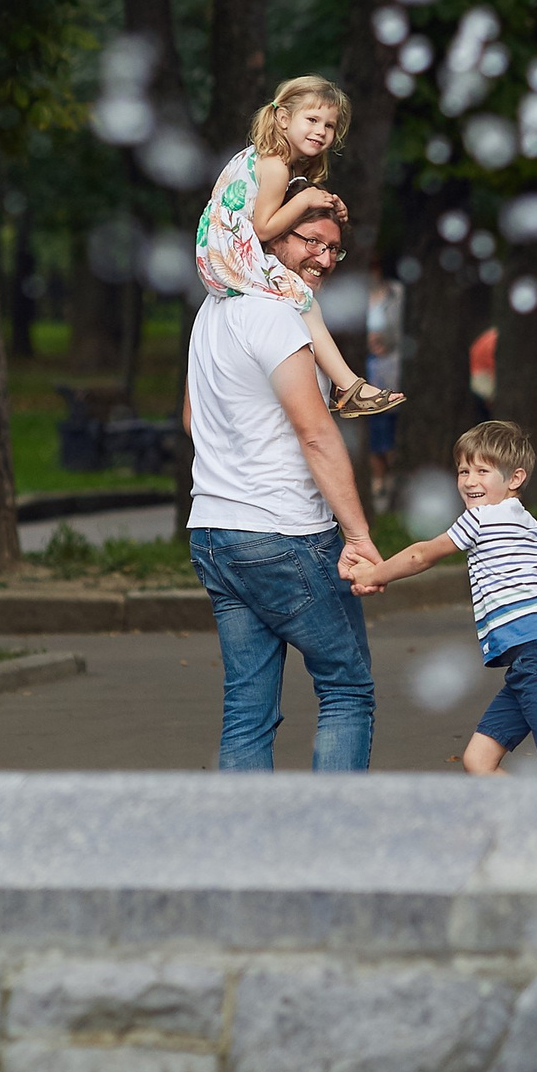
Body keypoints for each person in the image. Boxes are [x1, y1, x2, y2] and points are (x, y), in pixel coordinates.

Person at [183, 207, 383, 770]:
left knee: (247, 710)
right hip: (284, 532)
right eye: (311, 240)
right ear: (270, 235)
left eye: (334, 248)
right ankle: (328, 828)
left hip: (215, 533)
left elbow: (192, 421)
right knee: (346, 689)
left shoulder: (212, 310)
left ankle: (248, 830)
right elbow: (315, 433)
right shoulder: (276, 315)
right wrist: (358, 536)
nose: (324, 258)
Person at [345, 420, 537, 778]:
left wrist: (374, 574)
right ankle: (533, 812)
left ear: (515, 478)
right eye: (463, 471)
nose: (469, 481)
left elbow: (422, 555)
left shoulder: (480, 518)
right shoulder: (529, 523)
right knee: (478, 761)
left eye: (482, 471)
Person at [196, 75, 399, 419]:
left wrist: (327, 205)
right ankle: (349, 387)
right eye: (312, 120)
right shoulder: (275, 166)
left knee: (300, 299)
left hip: (222, 250)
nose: (321, 131)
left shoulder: (269, 160)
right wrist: (305, 200)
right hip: (229, 255)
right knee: (304, 301)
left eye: (329, 125)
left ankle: (343, 385)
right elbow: (264, 228)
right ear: (283, 118)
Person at [364, 261, 404, 506]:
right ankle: (378, 480)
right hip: (365, 366)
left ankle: (391, 479)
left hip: (390, 365)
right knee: (372, 426)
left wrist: (384, 342)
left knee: (390, 422)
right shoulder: (355, 296)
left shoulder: (396, 293)